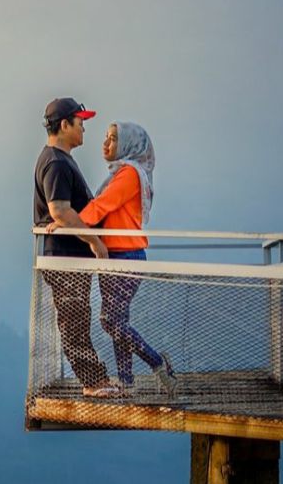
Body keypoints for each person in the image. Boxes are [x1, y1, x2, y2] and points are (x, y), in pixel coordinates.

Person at [78, 121, 177, 396]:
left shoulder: (129, 174)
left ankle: (157, 364)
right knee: (118, 320)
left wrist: (68, 224)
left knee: (110, 321)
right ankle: (126, 381)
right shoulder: (124, 172)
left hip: (125, 255)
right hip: (116, 254)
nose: (105, 143)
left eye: (112, 139)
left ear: (128, 146)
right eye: (106, 138)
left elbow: (102, 206)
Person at [33, 97, 119, 398]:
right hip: (65, 258)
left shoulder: (61, 159)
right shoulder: (56, 162)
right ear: (64, 125)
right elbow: (59, 210)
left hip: (68, 257)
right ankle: (93, 383)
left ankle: (97, 378)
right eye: (79, 121)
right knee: (74, 320)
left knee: (78, 317)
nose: (84, 126)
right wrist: (94, 242)